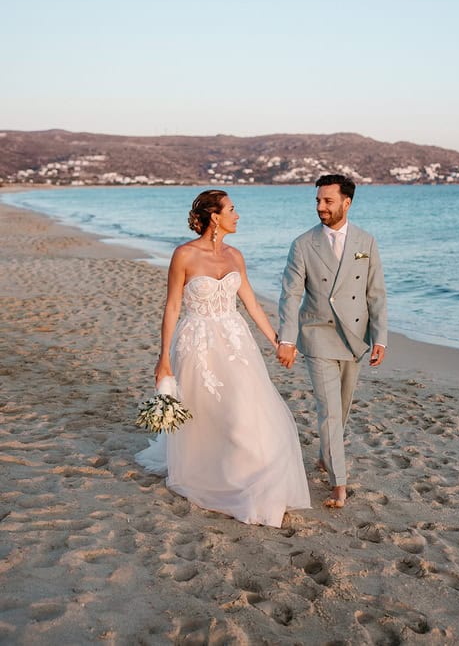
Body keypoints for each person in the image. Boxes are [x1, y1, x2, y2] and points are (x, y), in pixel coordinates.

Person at [135, 189, 311, 528]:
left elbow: (252, 304)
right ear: (214, 216)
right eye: (232, 209)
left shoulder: (235, 256)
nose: (237, 215)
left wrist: (278, 341)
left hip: (235, 343)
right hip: (197, 344)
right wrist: (163, 360)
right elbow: (172, 307)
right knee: (210, 414)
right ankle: (217, 477)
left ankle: (252, 477)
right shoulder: (184, 255)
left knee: (245, 410)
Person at [278, 174, 387, 508]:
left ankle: (327, 456)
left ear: (346, 202)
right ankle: (339, 484)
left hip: (355, 338)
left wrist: (380, 338)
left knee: (343, 407)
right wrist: (287, 339)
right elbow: (290, 295)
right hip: (318, 334)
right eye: (317, 201)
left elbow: (376, 293)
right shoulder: (303, 244)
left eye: (327, 201)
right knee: (330, 412)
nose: (321, 207)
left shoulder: (365, 242)